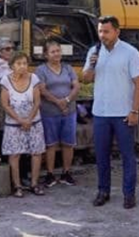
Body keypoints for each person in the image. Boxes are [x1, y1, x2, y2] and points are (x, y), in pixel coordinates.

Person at [82, 15, 139, 208]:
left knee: (127, 155)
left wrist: (135, 110)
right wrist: (92, 64)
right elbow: (85, 79)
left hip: (123, 113)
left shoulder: (130, 53)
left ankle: (129, 194)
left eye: (106, 31)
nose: (103, 35)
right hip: (101, 112)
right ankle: (103, 191)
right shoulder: (94, 51)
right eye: (100, 31)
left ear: (117, 32)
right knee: (101, 155)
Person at [1, 52, 47, 197]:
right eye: (19, 63)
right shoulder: (5, 81)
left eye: (25, 63)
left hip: (34, 122)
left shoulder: (34, 78)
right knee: (14, 154)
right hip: (14, 124)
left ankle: (34, 183)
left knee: (36, 153)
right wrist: (21, 120)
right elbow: (5, 105)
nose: (22, 66)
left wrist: (29, 119)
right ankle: (17, 185)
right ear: (12, 66)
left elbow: (37, 101)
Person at [36, 40, 79, 187]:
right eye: (53, 52)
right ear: (46, 55)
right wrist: (58, 102)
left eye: (58, 51)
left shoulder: (68, 68)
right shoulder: (41, 70)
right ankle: (50, 174)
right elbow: (42, 90)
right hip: (49, 112)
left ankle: (66, 172)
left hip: (69, 111)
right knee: (51, 144)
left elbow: (76, 86)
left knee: (68, 143)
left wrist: (66, 100)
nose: (56, 54)